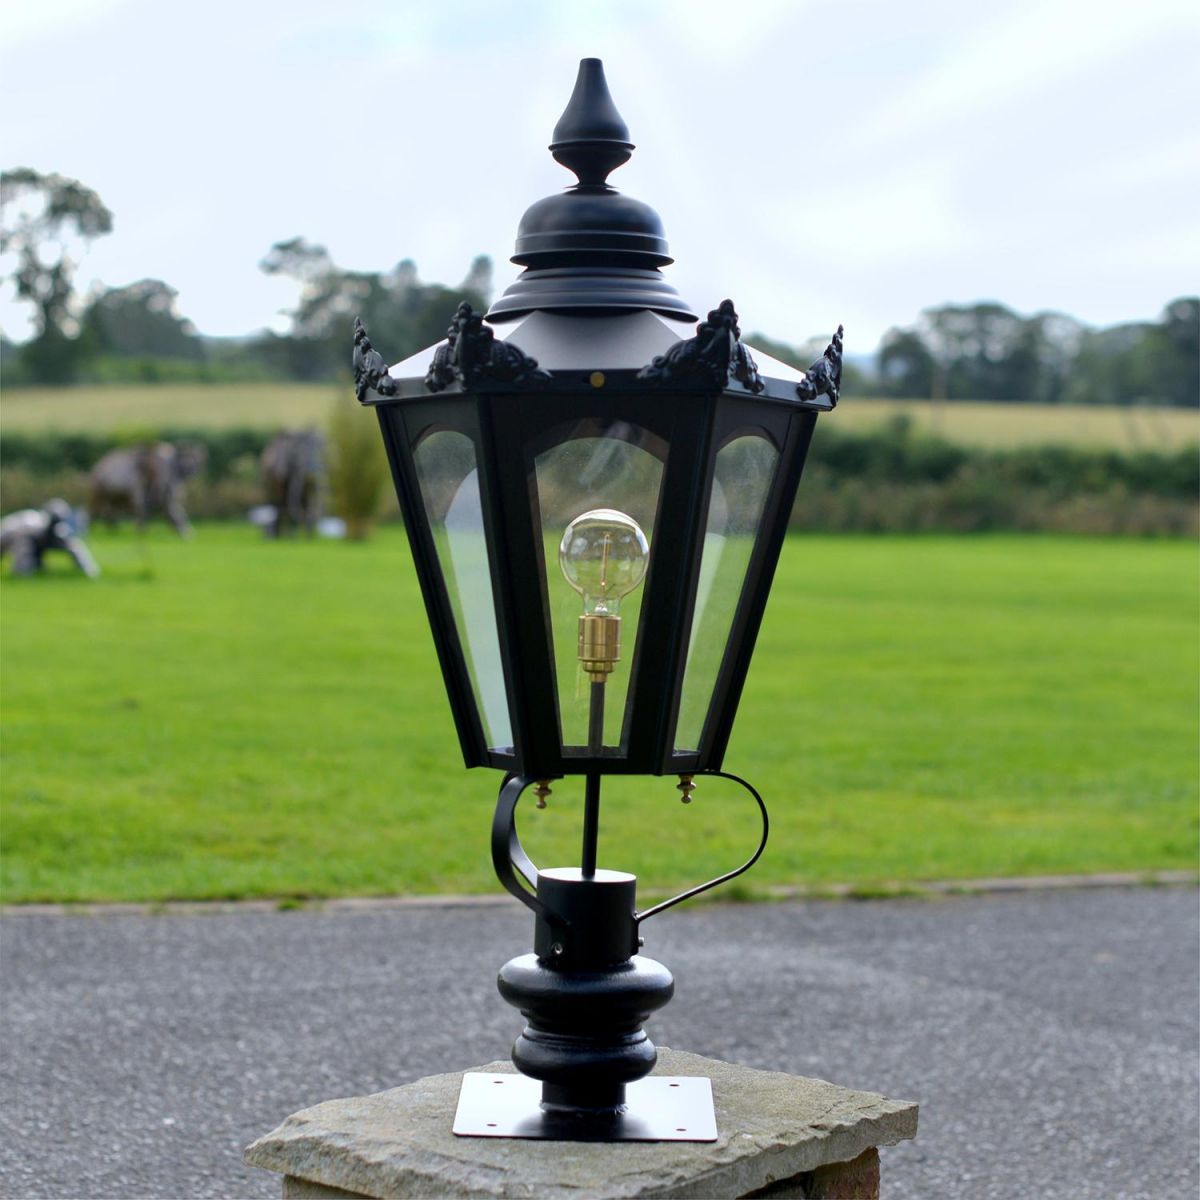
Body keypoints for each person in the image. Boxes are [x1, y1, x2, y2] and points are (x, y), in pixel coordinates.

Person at [0, 499, 100, 577]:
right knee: (27, 551)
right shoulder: (30, 527)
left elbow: (75, 549)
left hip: (31, 541)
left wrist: (89, 571)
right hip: (8, 534)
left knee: (36, 564)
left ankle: (37, 570)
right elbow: (22, 553)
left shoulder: (60, 531)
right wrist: (22, 573)